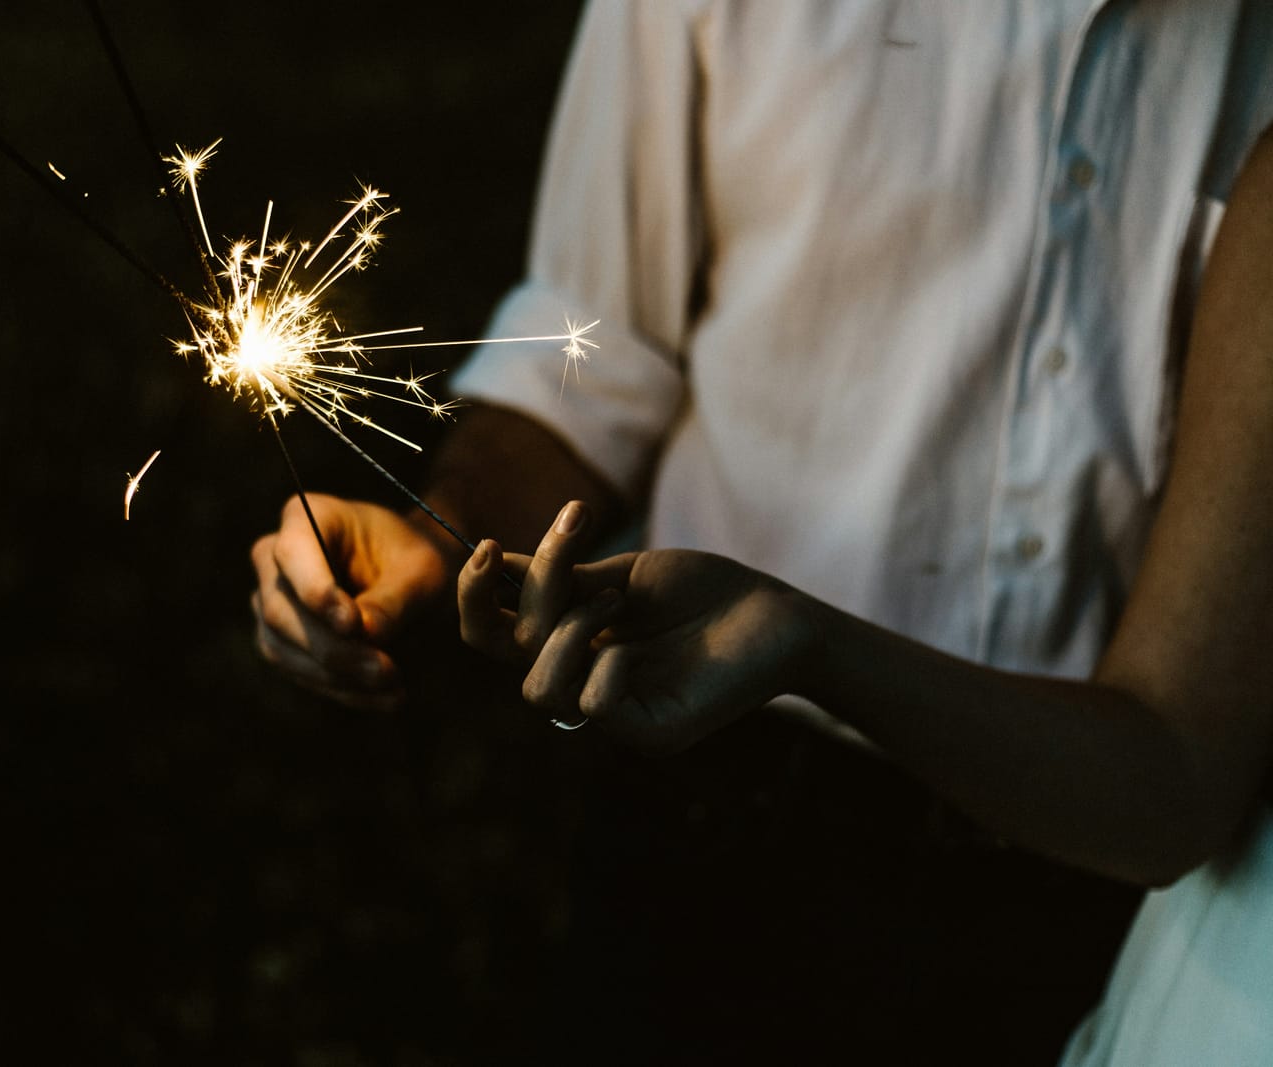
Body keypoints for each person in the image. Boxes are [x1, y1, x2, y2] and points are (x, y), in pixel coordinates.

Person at [251, 3, 1273, 1062]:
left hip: (1099, 877)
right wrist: (440, 531)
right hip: (719, 796)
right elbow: (595, 350)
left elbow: (1175, 749)